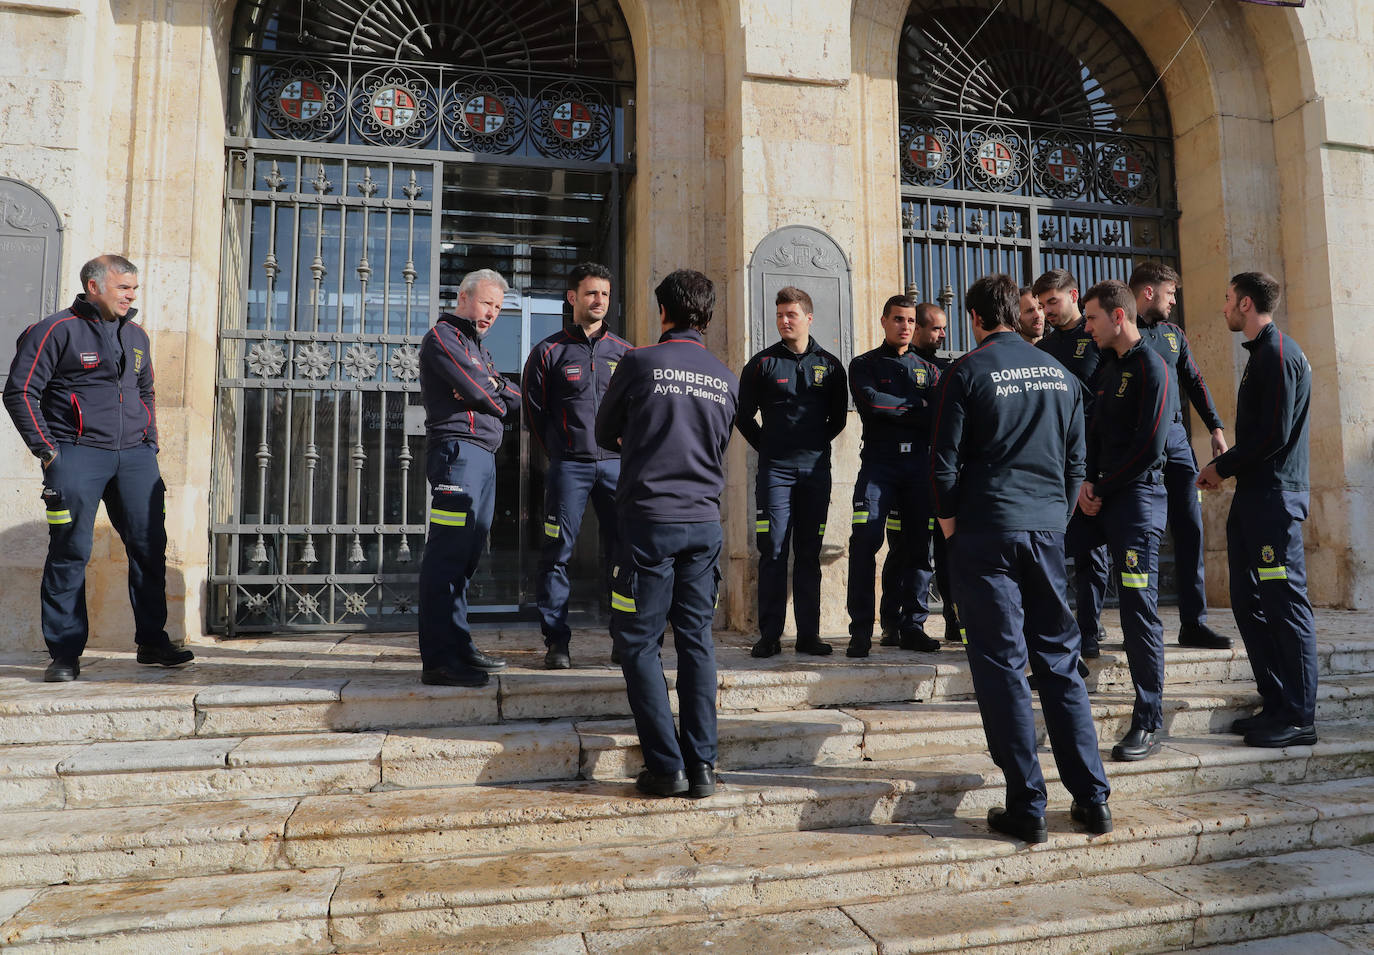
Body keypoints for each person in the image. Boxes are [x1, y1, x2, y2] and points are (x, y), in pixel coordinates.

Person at [930, 273, 1111, 843]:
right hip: (1045, 531)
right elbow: (1077, 463)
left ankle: (1026, 803)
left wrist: (953, 530)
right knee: (1059, 661)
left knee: (1002, 665)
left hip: (986, 533)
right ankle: (1092, 798)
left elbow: (942, 466)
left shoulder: (965, 370)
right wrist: (1054, 521)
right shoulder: (1061, 374)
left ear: (977, 319)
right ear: (1017, 311)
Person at [4, 255, 190, 682]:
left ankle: (152, 642)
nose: (132, 295)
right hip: (76, 454)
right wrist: (49, 452)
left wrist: (150, 442)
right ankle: (65, 654)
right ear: (94, 285)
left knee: (149, 548)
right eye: (124, 287)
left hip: (135, 458)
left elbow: (146, 391)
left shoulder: (137, 335)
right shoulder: (55, 330)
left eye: (134, 288)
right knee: (70, 552)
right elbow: (20, 391)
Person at [595, 269, 738, 799]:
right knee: (697, 642)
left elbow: (601, 431)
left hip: (649, 523)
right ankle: (702, 767)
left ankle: (667, 766)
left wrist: (642, 439)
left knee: (637, 643)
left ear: (663, 313)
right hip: (703, 522)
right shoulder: (725, 377)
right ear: (707, 315)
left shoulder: (638, 362)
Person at [1197, 272, 1317, 748]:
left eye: (1227, 299)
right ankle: (1277, 700)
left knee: (1284, 604)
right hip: (1254, 496)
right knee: (1250, 601)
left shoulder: (1279, 354)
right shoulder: (1261, 354)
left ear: (1246, 304)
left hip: (1274, 498)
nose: (1223, 307)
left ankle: (1299, 715)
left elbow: (1274, 435)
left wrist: (1221, 466)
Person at [1071, 279, 1177, 761]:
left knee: (1137, 607)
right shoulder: (1106, 368)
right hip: (1101, 496)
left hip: (1136, 502)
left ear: (1118, 316)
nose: (1085, 326)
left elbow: (1151, 447)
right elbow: (1094, 434)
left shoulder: (1153, 366)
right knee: (1051, 562)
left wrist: (1104, 486)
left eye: (1090, 317)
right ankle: (1066, 675)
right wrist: (1086, 484)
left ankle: (1149, 719)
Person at [522, 263, 632, 669]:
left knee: (624, 551)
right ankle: (557, 643)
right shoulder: (548, 352)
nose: (599, 300)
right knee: (558, 553)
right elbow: (534, 411)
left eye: (604, 293)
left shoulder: (625, 353)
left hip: (618, 469)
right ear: (573, 297)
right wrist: (559, 448)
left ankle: (624, 639)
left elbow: (638, 410)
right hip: (569, 466)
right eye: (590, 293)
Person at [416, 268, 521, 687]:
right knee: (447, 555)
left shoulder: (478, 350)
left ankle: (459, 647)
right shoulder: (443, 337)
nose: (492, 313)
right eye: (486, 302)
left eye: (498, 307)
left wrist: (490, 387)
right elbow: (483, 393)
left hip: (483, 455)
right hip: (457, 453)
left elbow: (507, 395)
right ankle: (440, 661)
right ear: (463, 297)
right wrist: (489, 390)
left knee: (467, 556)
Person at [736, 286, 847, 658]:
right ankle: (769, 635)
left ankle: (808, 636)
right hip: (775, 473)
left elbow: (837, 418)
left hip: (815, 472)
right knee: (773, 550)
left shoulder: (830, 365)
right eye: (780, 314)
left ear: (808, 318)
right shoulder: (762, 364)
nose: (784, 321)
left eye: (791, 315)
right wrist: (769, 446)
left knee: (808, 553)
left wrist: (812, 444)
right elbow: (742, 416)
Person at [1129, 262, 1232, 650]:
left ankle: (1193, 623)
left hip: (1176, 440)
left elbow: (1195, 380)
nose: (1174, 302)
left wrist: (1216, 429)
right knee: (1142, 531)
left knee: (1190, 528)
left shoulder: (1174, 335)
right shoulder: (1123, 332)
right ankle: (1143, 625)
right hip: (1139, 442)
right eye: (1170, 294)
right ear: (1150, 292)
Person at [846, 294, 942, 657]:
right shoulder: (864, 364)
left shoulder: (930, 371)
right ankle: (860, 630)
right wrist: (916, 408)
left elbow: (936, 415)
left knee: (918, 548)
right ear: (884, 321)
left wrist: (902, 409)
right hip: (878, 468)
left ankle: (912, 625)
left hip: (918, 468)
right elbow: (870, 403)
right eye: (898, 319)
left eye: (910, 321)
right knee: (865, 542)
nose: (905, 326)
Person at [1034, 268, 1108, 658]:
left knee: (1091, 552)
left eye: (1053, 302)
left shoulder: (1095, 339)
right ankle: (1057, 629)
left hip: (1091, 459)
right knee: (1052, 550)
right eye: (1042, 304)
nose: (1047, 311)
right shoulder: (1043, 349)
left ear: (1073, 295)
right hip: (1053, 462)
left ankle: (1090, 630)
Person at [909, 302, 963, 645]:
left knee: (949, 553)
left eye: (944, 328)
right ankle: (907, 622)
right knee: (913, 552)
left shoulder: (949, 368)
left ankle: (954, 621)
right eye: (937, 328)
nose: (943, 334)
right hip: (911, 471)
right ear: (919, 329)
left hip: (946, 472)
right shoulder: (903, 364)